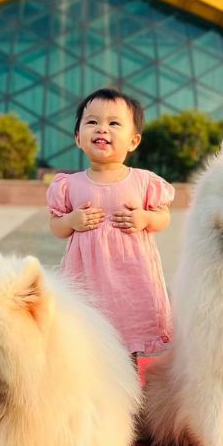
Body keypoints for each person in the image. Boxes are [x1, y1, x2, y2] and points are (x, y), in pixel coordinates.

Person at [47, 88, 174, 356]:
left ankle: (128, 389)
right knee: (87, 335)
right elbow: (56, 226)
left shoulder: (143, 181)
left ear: (133, 141)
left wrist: (145, 217)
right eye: (92, 122)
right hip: (87, 276)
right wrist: (72, 220)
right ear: (78, 137)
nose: (102, 129)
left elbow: (163, 217)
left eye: (114, 123)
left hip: (130, 275)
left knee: (128, 334)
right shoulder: (70, 184)